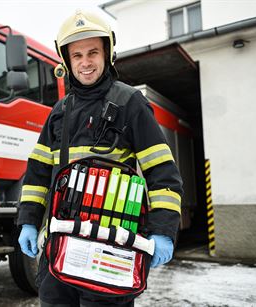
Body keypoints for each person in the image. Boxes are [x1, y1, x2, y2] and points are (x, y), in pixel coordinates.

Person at [17, 10, 183, 307]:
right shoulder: (59, 112)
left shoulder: (130, 103)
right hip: (60, 247)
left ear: (107, 54)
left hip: (111, 246)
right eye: (77, 55)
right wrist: (28, 221)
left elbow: (162, 172)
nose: (85, 62)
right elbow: (38, 173)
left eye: (93, 52)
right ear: (67, 62)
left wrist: (163, 231)